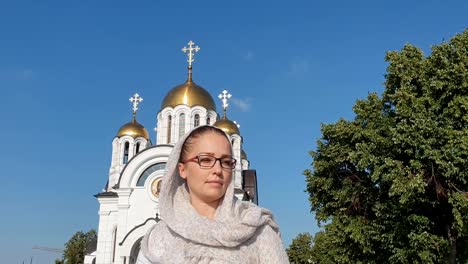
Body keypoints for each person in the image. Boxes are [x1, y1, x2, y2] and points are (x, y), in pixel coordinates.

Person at [137, 125, 289, 263]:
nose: (217, 169)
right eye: (205, 160)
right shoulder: (160, 237)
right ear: (182, 169)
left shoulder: (257, 230)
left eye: (226, 162)